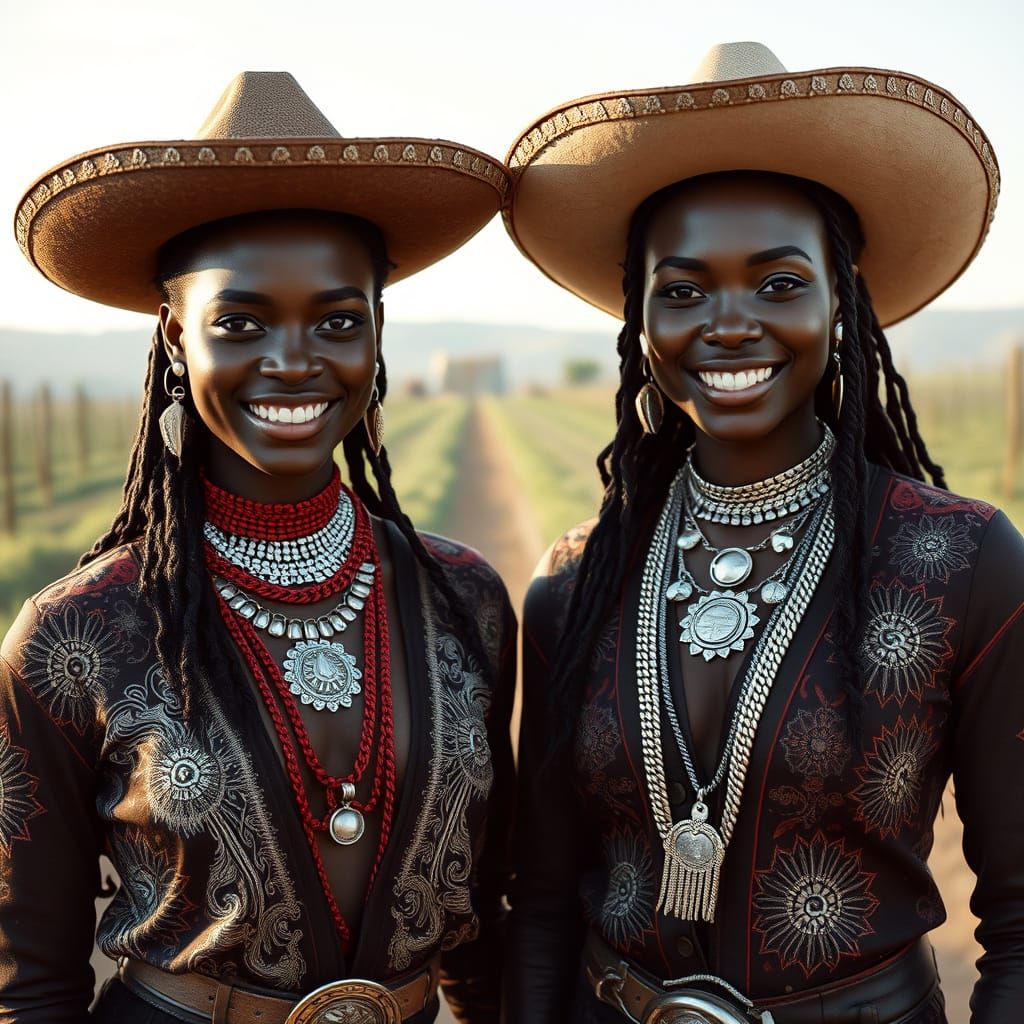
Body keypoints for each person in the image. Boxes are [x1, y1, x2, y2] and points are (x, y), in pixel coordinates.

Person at [502, 42, 1020, 1024]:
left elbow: (1023, 923)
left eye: (779, 284)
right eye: (683, 290)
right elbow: (541, 904)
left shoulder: (963, 561)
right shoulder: (576, 580)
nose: (729, 323)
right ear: (639, 321)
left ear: (841, 302)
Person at [1, 72, 515, 1024]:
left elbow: (482, 928)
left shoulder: (463, 597)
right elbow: (28, 980)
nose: (293, 359)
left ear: (378, 333)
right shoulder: (75, 634)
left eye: (337, 321)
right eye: (240, 323)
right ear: (175, 336)